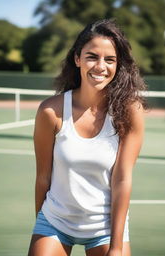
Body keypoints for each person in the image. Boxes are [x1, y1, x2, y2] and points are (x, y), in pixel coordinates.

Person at [28, 18, 147, 256]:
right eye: (92, 56)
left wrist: (115, 247)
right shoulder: (51, 112)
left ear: (118, 65)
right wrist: (41, 226)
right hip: (56, 221)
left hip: (105, 226)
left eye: (110, 59)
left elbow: (122, 180)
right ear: (77, 58)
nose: (101, 66)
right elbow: (43, 177)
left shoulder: (129, 112)